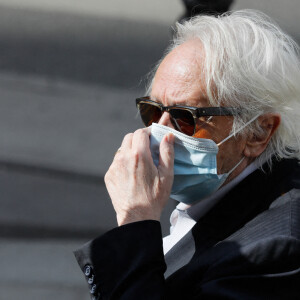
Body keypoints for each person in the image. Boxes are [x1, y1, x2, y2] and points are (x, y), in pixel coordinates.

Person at [74, 10, 300, 300]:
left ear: (258, 132)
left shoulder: (277, 250)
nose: (159, 132)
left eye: (184, 117)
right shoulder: (222, 197)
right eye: (152, 111)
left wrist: (136, 221)